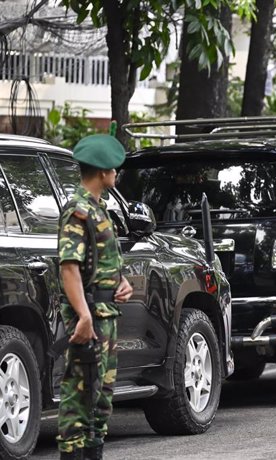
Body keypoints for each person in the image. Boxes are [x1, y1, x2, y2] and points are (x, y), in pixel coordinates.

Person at [57, 134, 133, 459]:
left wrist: (122, 281)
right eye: (113, 167)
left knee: (101, 395)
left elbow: (98, 260)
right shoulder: (78, 210)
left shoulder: (98, 208)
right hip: (90, 315)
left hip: (107, 312)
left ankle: (93, 452)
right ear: (103, 172)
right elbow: (69, 267)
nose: (116, 172)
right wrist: (84, 316)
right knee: (80, 393)